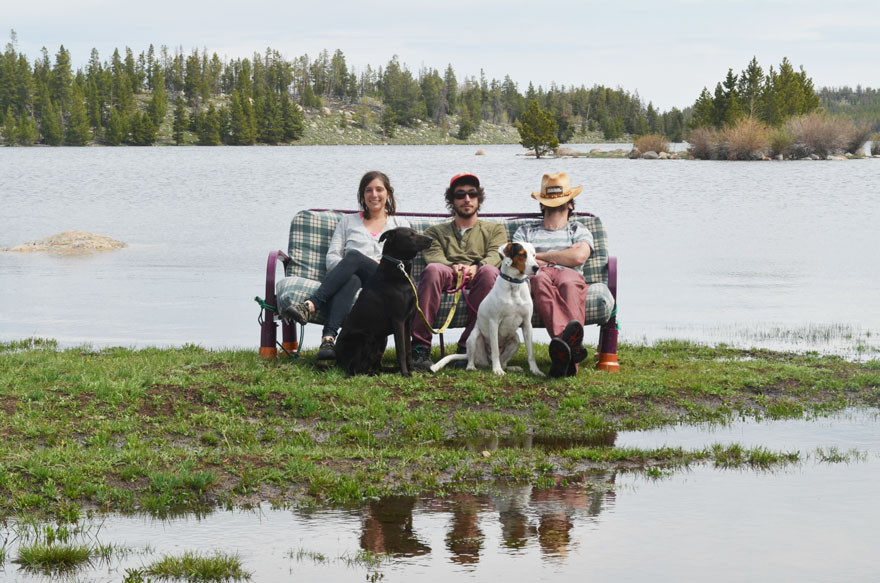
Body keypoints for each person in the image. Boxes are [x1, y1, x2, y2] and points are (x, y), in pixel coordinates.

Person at [282, 170, 410, 360]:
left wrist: (368, 262)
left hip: (387, 282)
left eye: (379, 190)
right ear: (362, 195)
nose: (374, 195)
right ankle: (328, 340)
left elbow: (406, 261)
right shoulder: (348, 221)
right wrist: (353, 265)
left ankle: (310, 305)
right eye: (368, 190)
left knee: (354, 256)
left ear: (388, 194)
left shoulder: (399, 223)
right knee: (352, 277)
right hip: (359, 281)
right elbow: (332, 257)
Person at [411, 173, 508, 371]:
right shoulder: (435, 232)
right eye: (460, 194)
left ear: (478, 198)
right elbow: (434, 255)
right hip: (448, 274)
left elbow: (496, 254)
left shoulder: (495, 229)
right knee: (432, 270)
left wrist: (476, 266)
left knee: (489, 271)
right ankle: (420, 348)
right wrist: (452, 266)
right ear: (451, 201)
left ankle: (467, 347)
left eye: (472, 194)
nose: (467, 199)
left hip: (479, 276)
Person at [512, 172, 592, 377]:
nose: (555, 204)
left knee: (568, 283)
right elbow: (520, 261)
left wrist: (539, 255)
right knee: (539, 279)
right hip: (539, 275)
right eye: (550, 200)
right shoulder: (526, 231)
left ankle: (563, 355)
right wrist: (560, 256)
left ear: (571, 204)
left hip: (569, 273)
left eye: (562, 200)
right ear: (542, 204)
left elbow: (578, 258)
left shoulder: (578, 229)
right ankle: (570, 352)